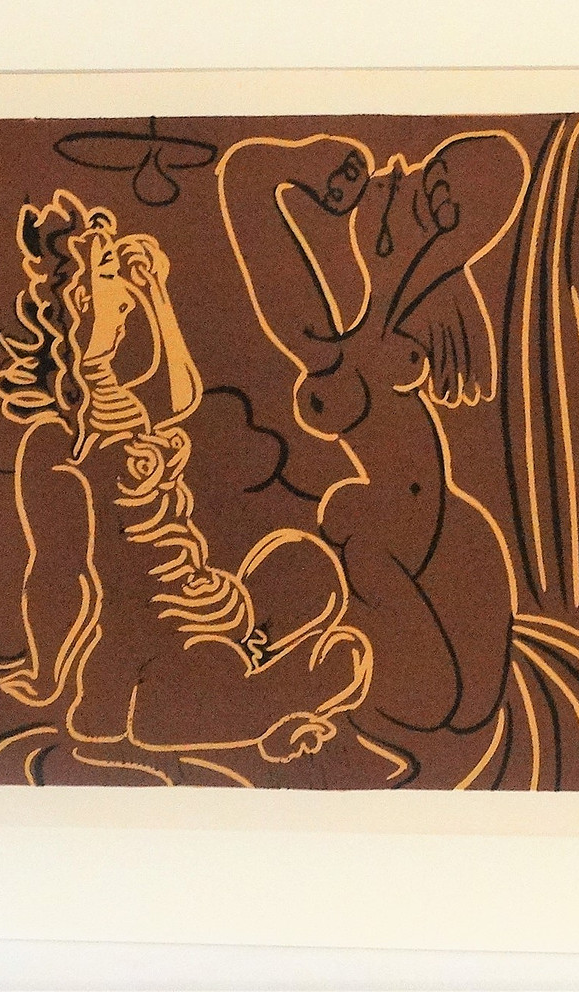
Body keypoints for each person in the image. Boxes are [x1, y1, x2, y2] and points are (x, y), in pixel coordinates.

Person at [0, 190, 372, 779]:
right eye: (110, 273)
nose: (125, 292)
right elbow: (58, 570)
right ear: (81, 300)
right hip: (152, 641)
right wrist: (44, 674)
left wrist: (155, 291)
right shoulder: (59, 442)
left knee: (304, 566)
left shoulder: (120, 400)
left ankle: (252, 671)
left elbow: (178, 393)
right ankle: (271, 701)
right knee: (343, 659)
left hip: (206, 600)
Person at [218, 131, 530, 784]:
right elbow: (244, 178)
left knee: (300, 564)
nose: (391, 166)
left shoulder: (353, 353)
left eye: (418, 176)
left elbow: (247, 181)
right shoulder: (378, 344)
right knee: (313, 554)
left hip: (420, 639)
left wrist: (299, 162)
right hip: (437, 624)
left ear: (436, 215)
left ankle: (248, 684)